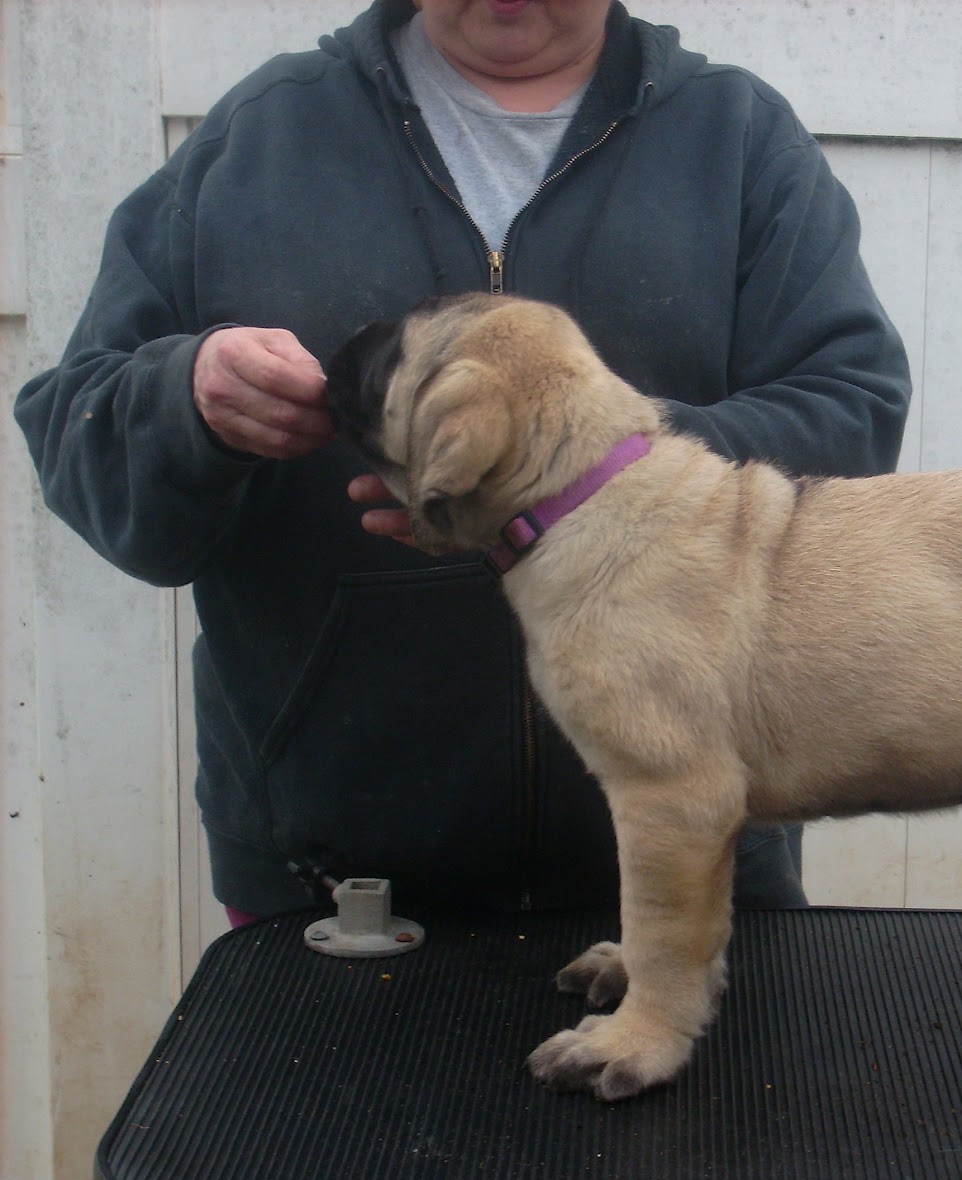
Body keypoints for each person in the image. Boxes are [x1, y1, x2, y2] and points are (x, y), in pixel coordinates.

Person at [14, 0, 910, 923]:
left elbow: (850, 413)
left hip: (688, 860)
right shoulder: (262, 137)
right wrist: (185, 399)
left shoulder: (737, 140)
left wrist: (581, 474)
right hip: (337, 876)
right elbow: (76, 434)